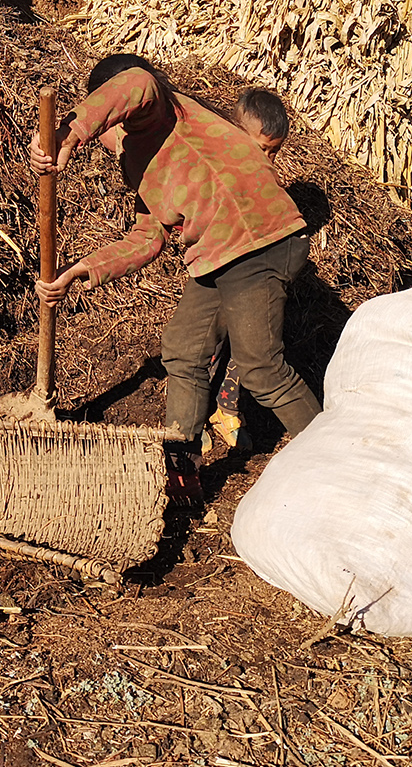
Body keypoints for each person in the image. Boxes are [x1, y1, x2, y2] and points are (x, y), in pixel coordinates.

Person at [30, 55, 320, 483]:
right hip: (221, 252)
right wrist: (79, 272)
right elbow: (148, 237)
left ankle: (337, 461)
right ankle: (181, 472)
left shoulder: (163, 109)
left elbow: (137, 81)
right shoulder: (137, 161)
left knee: (261, 369)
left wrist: (69, 132)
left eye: (107, 118)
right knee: (183, 348)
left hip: (258, 238)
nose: (106, 135)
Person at [206, 87, 294, 449]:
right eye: (263, 150)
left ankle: (226, 409)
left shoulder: (264, 181)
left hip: (249, 274)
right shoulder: (212, 166)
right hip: (215, 269)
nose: (269, 160)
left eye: (274, 152)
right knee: (205, 344)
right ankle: (192, 422)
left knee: (246, 345)